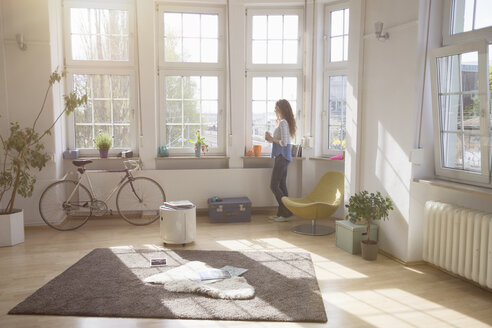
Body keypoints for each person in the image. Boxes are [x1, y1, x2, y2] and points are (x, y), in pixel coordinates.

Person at [265, 99, 296, 222]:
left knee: (273, 185)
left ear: (282, 109)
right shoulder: (282, 122)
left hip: (282, 157)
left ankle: (287, 211)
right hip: (282, 157)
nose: (274, 110)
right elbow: (281, 141)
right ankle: (282, 213)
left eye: (276, 107)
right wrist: (271, 139)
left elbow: (284, 142)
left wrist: (271, 138)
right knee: (282, 185)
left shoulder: (283, 123)